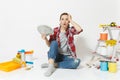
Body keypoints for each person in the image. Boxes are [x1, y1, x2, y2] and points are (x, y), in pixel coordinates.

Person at [41, 12, 83, 77]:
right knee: (54, 42)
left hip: (66, 57)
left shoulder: (70, 30)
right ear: (60, 21)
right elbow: (50, 45)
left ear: (68, 21)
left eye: (66, 19)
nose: (64, 21)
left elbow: (79, 29)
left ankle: (53, 64)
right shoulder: (55, 30)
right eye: (62, 19)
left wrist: (71, 20)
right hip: (56, 55)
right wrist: (45, 39)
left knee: (77, 62)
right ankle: (50, 68)